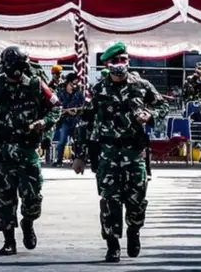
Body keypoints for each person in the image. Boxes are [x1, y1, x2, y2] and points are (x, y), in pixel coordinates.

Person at [72, 41, 169, 263]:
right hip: (107, 154)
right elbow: (84, 123)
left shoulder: (141, 85)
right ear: (108, 65)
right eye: (115, 62)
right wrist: (79, 155)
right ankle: (112, 244)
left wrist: (149, 115)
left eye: (123, 61)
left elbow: (162, 106)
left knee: (136, 200)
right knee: (109, 201)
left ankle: (133, 232)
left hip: (134, 154)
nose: (119, 66)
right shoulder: (99, 90)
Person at [0, 46, 61, 255]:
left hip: (27, 149)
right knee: (5, 197)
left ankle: (28, 222)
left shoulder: (36, 85)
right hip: (2, 151)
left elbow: (56, 107)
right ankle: (9, 240)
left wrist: (44, 123)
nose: (14, 73)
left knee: (32, 198)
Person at [53, 72, 86, 167]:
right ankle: (59, 161)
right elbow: (56, 108)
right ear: (68, 82)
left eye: (76, 84)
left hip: (76, 120)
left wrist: (76, 109)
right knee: (62, 141)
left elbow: (84, 106)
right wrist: (67, 110)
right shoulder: (61, 93)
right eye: (73, 84)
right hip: (65, 121)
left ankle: (75, 160)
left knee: (76, 142)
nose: (75, 86)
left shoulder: (78, 94)